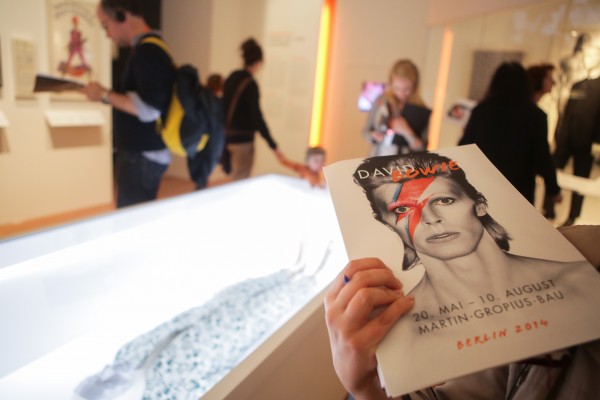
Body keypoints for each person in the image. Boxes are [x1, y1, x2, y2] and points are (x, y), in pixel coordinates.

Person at [325, 152, 600, 399]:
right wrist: (365, 388)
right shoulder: (402, 332)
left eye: (444, 200)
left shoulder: (583, 270)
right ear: (388, 224)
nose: (430, 218)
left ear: (479, 204)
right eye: (403, 209)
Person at [81, 0, 175, 208]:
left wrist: (104, 94)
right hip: (143, 154)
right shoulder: (149, 48)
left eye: (105, 25)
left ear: (121, 15)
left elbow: (149, 109)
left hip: (141, 156)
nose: (107, 34)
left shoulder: (148, 51)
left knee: (132, 219)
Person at [459, 62, 561, 207]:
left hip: (482, 186)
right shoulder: (535, 116)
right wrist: (553, 190)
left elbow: (464, 146)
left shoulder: (481, 111)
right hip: (518, 190)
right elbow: (542, 156)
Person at [221, 38, 282, 180]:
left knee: (234, 178)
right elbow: (256, 118)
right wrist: (272, 144)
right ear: (259, 62)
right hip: (243, 141)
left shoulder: (231, 77)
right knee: (240, 181)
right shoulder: (251, 84)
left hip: (227, 138)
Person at [362, 59, 431, 157]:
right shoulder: (380, 101)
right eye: (397, 88)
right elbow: (366, 131)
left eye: (407, 89)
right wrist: (374, 135)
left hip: (405, 162)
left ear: (415, 86)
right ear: (391, 83)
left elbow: (423, 148)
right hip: (377, 157)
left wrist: (407, 132)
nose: (401, 93)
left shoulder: (420, 110)